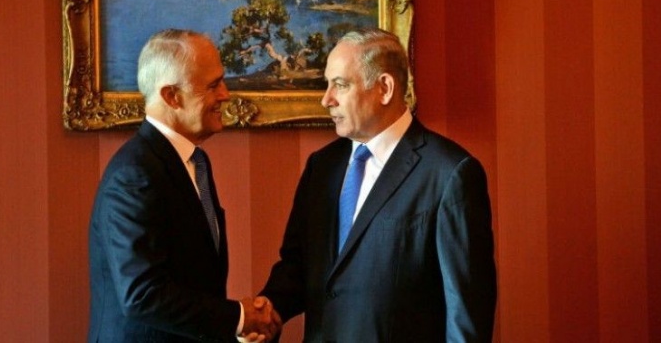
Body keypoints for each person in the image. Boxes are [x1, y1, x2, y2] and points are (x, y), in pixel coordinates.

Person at [260, 28, 497, 342]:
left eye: (340, 85)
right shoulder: (322, 167)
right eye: (327, 84)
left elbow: (465, 313)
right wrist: (267, 312)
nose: (326, 99)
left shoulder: (449, 174)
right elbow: (298, 265)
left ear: (384, 88)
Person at [88, 29, 280, 342]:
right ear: (171, 97)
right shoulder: (134, 175)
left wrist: (235, 329)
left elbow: (196, 280)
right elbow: (142, 295)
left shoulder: (194, 162)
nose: (225, 94)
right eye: (213, 85)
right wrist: (240, 317)